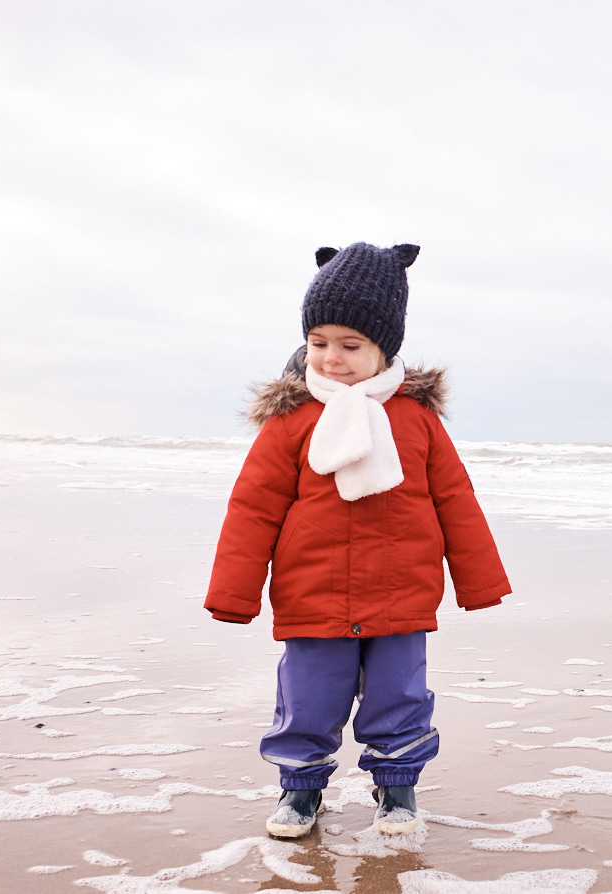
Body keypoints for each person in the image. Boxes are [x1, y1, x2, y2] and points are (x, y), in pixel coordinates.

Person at [204, 242, 510, 839]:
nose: (331, 358)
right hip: (312, 594)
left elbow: (455, 499)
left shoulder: (416, 418)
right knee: (309, 698)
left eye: (350, 345)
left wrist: (479, 582)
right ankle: (300, 790)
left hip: (402, 594)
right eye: (319, 343)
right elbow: (253, 508)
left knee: (399, 698)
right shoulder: (291, 419)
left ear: (383, 348)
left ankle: (397, 787)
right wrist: (234, 593)